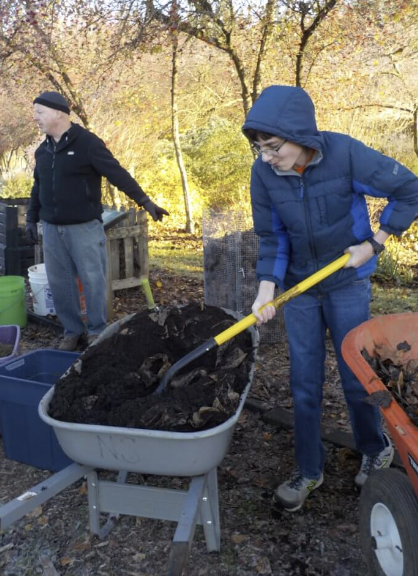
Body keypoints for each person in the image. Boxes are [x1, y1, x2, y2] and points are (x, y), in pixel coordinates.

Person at [242, 85, 418, 512]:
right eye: (259, 148)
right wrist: (266, 288)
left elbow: (409, 188)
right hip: (302, 286)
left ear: (299, 135)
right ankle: (308, 468)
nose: (266, 157)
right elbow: (272, 236)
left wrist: (375, 243)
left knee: (357, 375)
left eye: (272, 146)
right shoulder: (263, 173)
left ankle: (373, 448)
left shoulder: (344, 154)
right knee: (303, 381)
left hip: (346, 281)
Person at [26, 91, 168, 351]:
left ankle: (96, 332)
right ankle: (72, 332)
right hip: (52, 227)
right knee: (60, 284)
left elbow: (117, 174)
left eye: (40, 112)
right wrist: (31, 218)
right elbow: (38, 187)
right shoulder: (42, 151)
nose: (35, 117)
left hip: (84, 228)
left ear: (58, 112)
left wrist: (145, 202)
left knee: (92, 280)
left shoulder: (87, 144)